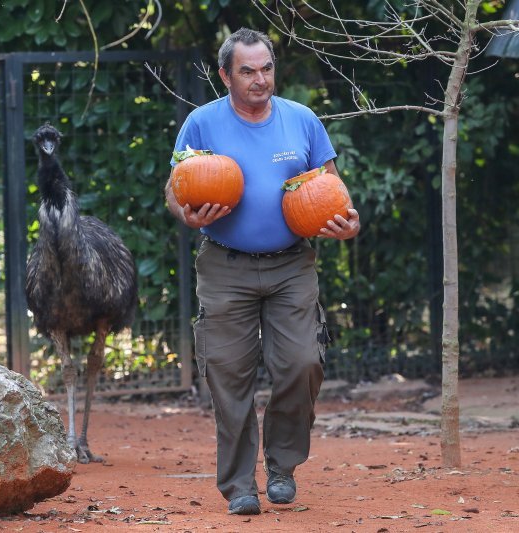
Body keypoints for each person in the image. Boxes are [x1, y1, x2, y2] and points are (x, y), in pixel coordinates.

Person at [164, 28, 360, 516]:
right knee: (228, 376)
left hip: (292, 263)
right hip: (224, 264)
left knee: (302, 363)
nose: (260, 79)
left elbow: (331, 187)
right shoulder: (201, 123)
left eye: (266, 68)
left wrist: (348, 224)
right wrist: (185, 215)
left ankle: (282, 467)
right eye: (247, 71)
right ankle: (238, 486)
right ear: (225, 74)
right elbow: (175, 187)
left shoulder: (302, 120)